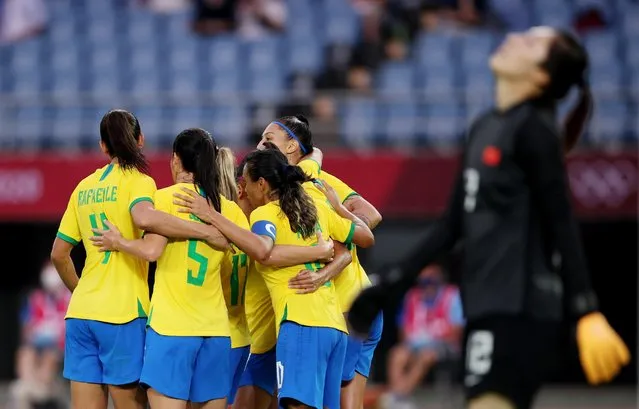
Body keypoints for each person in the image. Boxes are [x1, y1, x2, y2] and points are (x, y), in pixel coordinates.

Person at [347, 27, 630, 409]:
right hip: (485, 307)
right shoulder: (484, 127)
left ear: (541, 76)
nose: (516, 38)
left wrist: (587, 310)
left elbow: (560, 221)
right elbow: (451, 225)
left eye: (531, 43)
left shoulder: (534, 130)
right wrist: (390, 286)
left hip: (521, 310)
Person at [50, 111, 228, 409]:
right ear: (140, 140)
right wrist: (206, 230)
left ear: (103, 147)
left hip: (81, 314)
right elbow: (145, 218)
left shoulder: (83, 187)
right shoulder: (140, 182)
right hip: (123, 314)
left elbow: (58, 254)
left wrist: (81, 291)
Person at [174, 148, 375, 409]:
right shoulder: (314, 209)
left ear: (262, 184)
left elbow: (262, 251)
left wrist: (211, 215)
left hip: (299, 323)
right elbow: (363, 239)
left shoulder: (265, 215)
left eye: (246, 182)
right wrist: (334, 218)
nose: (243, 189)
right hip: (333, 327)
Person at [89, 128, 241, 409]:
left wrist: (119, 242)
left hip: (171, 329)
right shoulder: (228, 210)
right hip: (216, 331)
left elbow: (150, 251)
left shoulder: (164, 199)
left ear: (175, 160)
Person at [257, 116, 384, 409]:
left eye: (269, 139)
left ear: (291, 146)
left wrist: (330, 261)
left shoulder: (309, 181)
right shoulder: (307, 175)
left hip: (343, 306)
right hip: (357, 304)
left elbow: (371, 215)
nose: (261, 144)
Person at [382, 265, 464, 409]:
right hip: (415, 344)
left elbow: (456, 330)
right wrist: (413, 343)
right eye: (424, 282)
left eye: (431, 281)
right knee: (398, 354)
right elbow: (404, 329)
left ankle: (399, 396)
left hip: (444, 345)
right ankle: (399, 399)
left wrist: (430, 340)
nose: (428, 286)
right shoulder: (412, 296)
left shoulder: (451, 295)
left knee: (426, 355)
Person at [10, 262, 70, 409]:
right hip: (37, 342)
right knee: (25, 354)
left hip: (59, 345)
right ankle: (28, 387)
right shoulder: (36, 298)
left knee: (50, 358)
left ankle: (40, 390)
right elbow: (27, 327)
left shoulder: (70, 298)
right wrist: (31, 335)